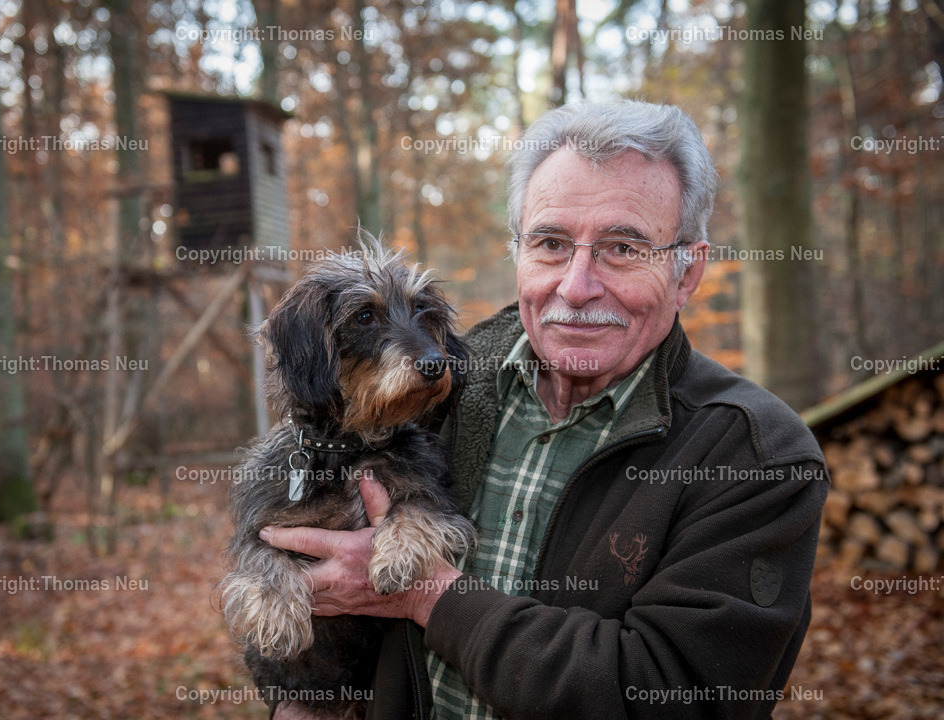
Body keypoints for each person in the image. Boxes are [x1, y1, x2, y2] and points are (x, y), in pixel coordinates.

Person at [260, 100, 830, 719]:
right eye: (551, 243)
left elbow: (671, 694)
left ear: (686, 272)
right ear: (518, 252)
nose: (576, 287)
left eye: (623, 248)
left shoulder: (757, 455)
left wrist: (429, 595)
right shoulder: (434, 388)